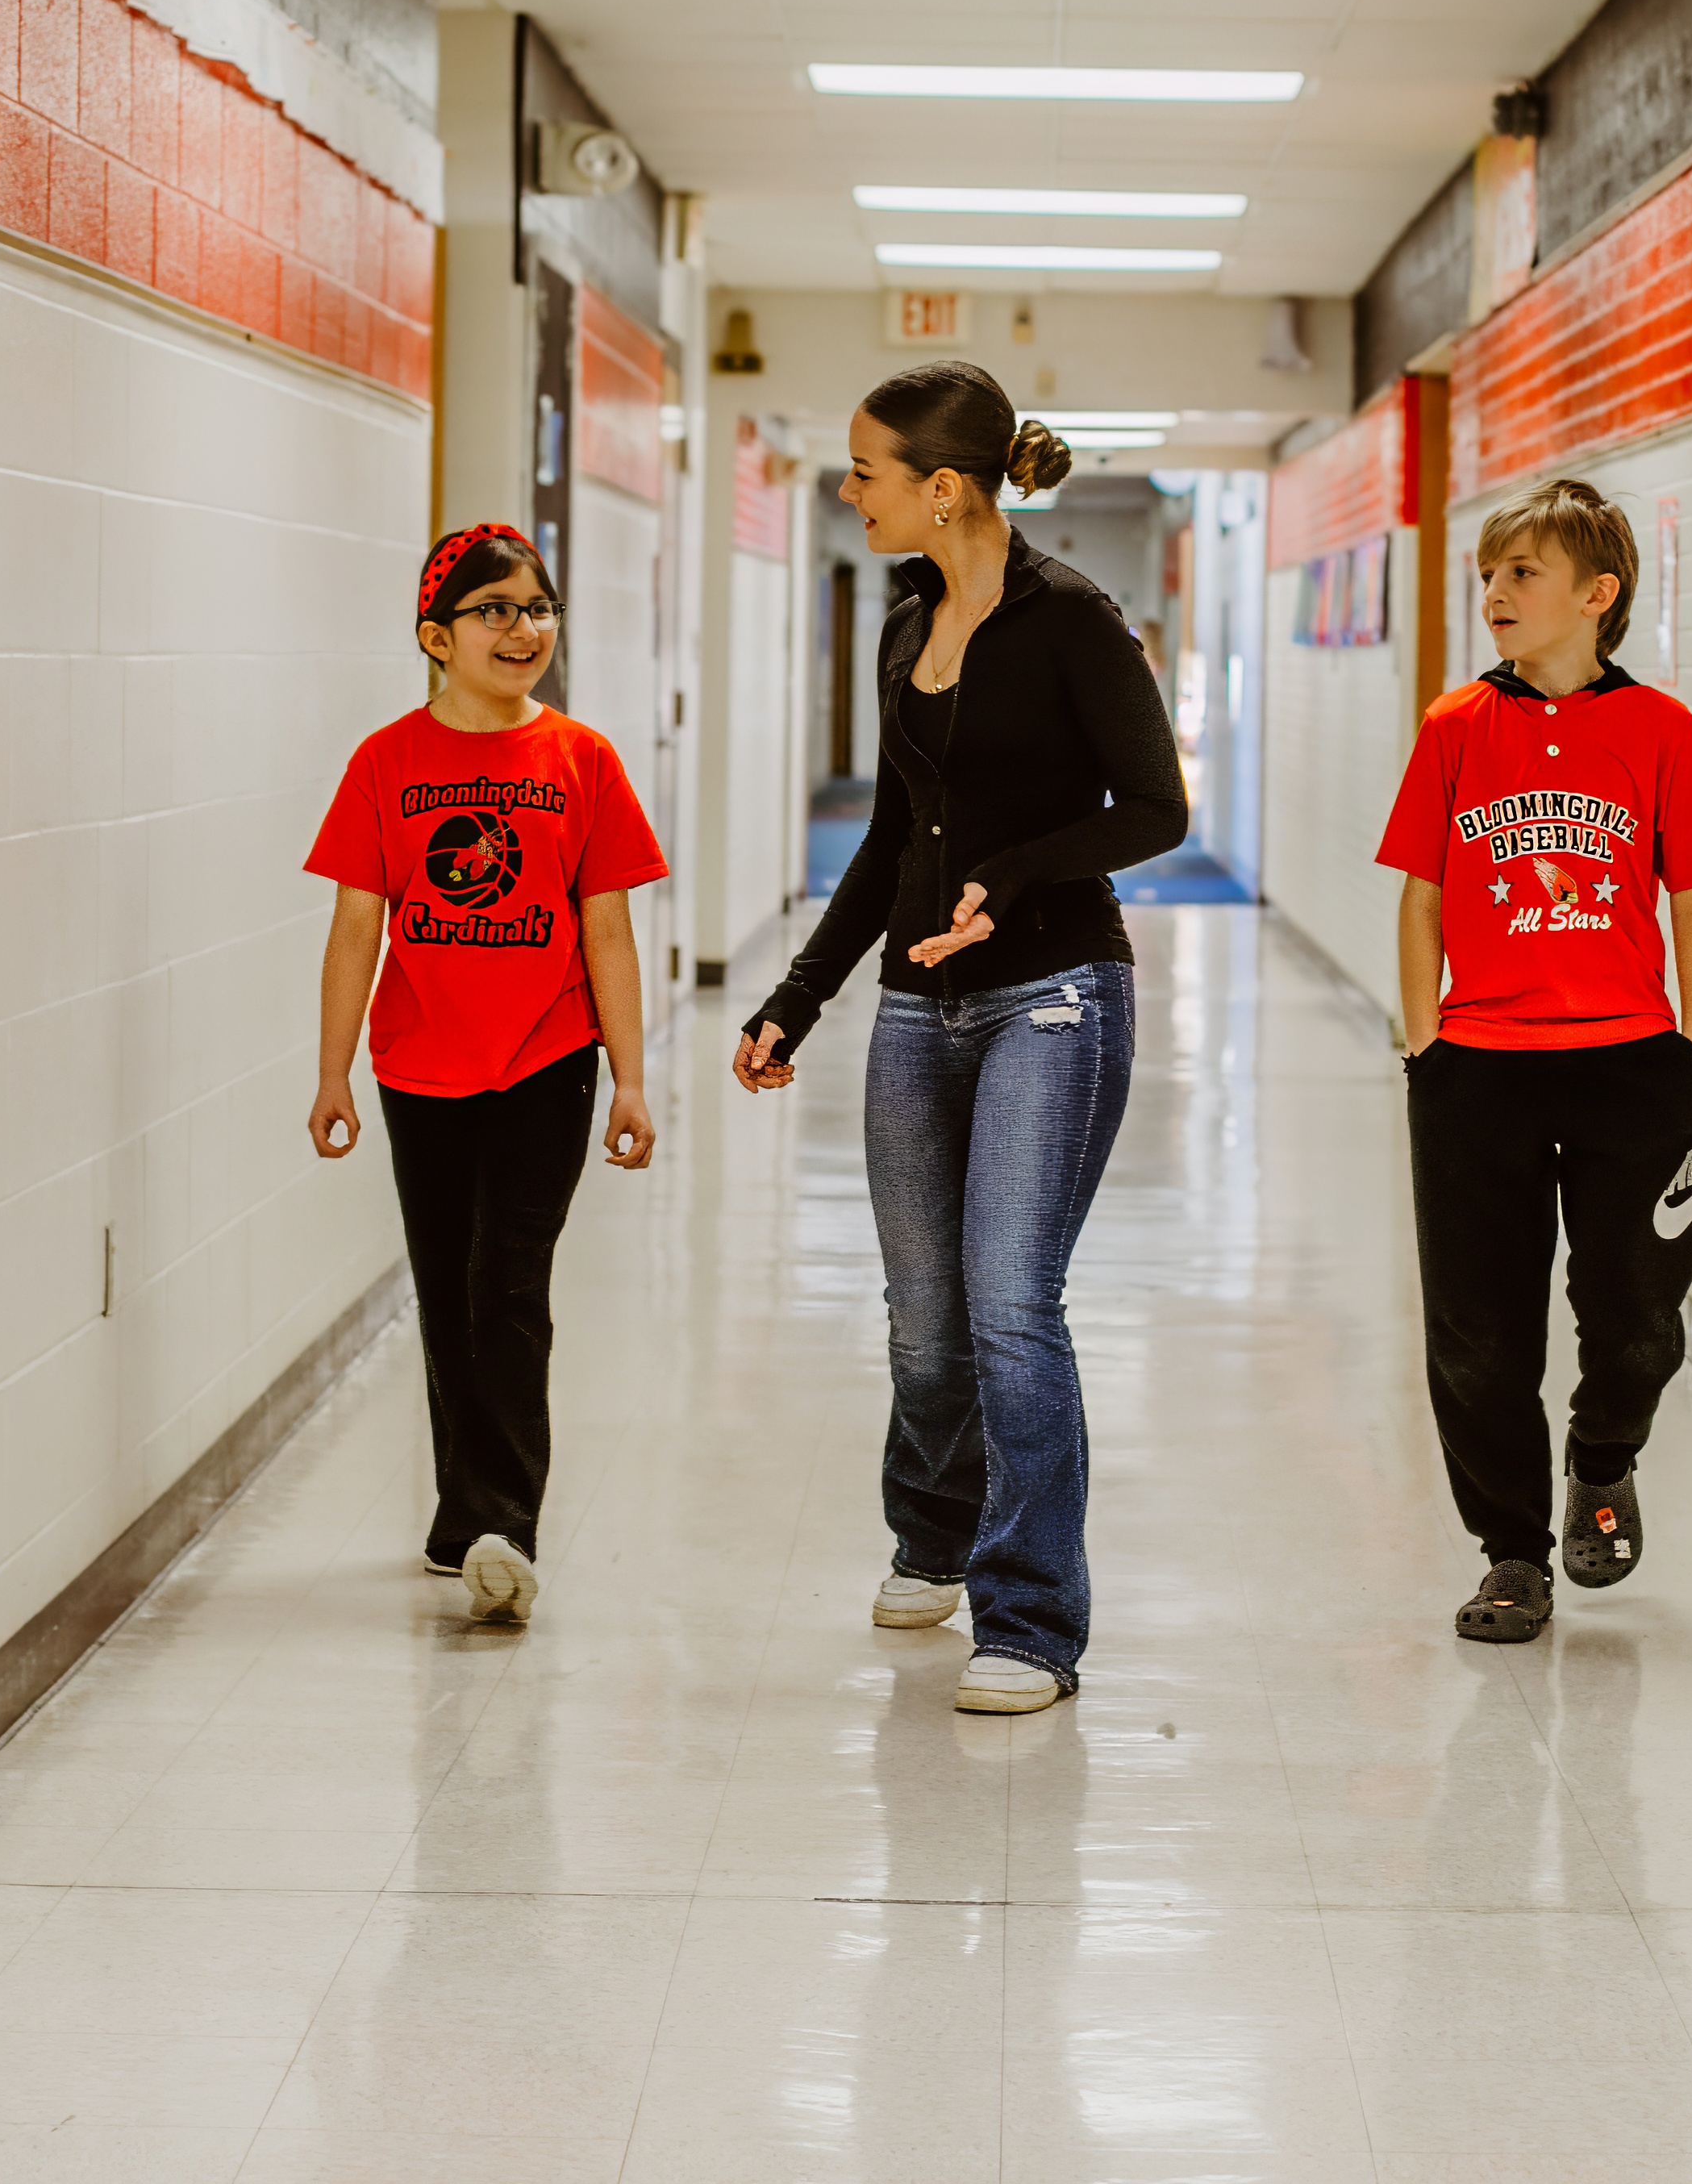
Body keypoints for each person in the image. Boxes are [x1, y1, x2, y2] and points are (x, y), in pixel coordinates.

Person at [731, 362, 1186, 1715]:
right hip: (917, 1010)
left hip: (1054, 995)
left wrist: (1021, 872)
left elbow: (1155, 809)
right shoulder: (904, 622)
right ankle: (931, 1535)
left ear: (943, 487)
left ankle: (1031, 1620)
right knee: (923, 1316)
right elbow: (887, 839)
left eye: (864, 471)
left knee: (1008, 1304)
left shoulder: (1074, 622)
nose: (845, 491)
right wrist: (794, 997)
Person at [1379, 481, 1692, 1644]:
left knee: (1637, 1316)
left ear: (1597, 594)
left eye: (1521, 573)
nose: (1494, 594)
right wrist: (1426, 1037)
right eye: (1488, 573)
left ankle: (1604, 1453)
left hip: (1632, 1063)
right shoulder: (1454, 727)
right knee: (1478, 1328)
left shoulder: (1662, 731)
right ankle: (1513, 1555)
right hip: (1479, 1063)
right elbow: (1423, 895)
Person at [306, 523, 665, 1625]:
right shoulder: (385, 763)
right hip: (420, 1066)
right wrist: (333, 1077)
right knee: (450, 1287)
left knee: (509, 1285)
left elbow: (605, 932)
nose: (525, 629)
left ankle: (503, 1520)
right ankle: (464, 1516)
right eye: (496, 610)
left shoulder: (583, 760)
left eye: (540, 608)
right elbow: (355, 929)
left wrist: (632, 1079)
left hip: (546, 1062)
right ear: (435, 635)